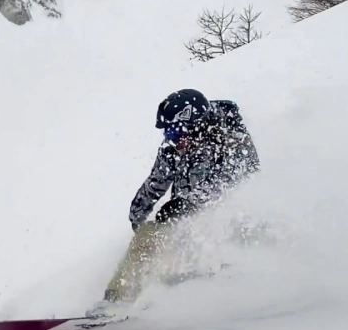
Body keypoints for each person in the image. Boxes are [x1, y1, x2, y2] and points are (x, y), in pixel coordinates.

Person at [87, 88, 260, 317]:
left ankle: (249, 283)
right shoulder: (173, 151)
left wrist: (187, 203)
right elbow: (154, 184)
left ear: (196, 124)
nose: (172, 140)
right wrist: (139, 217)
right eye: (168, 134)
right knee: (152, 243)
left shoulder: (229, 139)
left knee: (251, 241)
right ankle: (118, 302)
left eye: (176, 133)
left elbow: (239, 176)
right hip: (187, 225)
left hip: (230, 222)